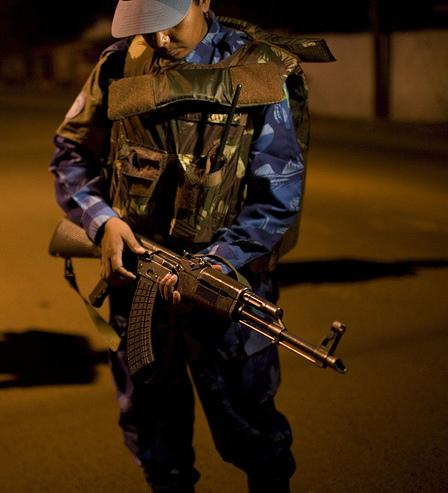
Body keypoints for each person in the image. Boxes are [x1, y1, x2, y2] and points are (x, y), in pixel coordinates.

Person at [49, 1, 334, 491]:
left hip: (224, 285)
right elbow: (71, 152)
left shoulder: (259, 69)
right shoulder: (119, 64)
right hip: (136, 277)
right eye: (147, 28)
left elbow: (278, 196)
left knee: (252, 430)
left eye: (169, 24)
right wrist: (104, 223)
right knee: (153, 429)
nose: (158, 41)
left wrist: (218, 264)